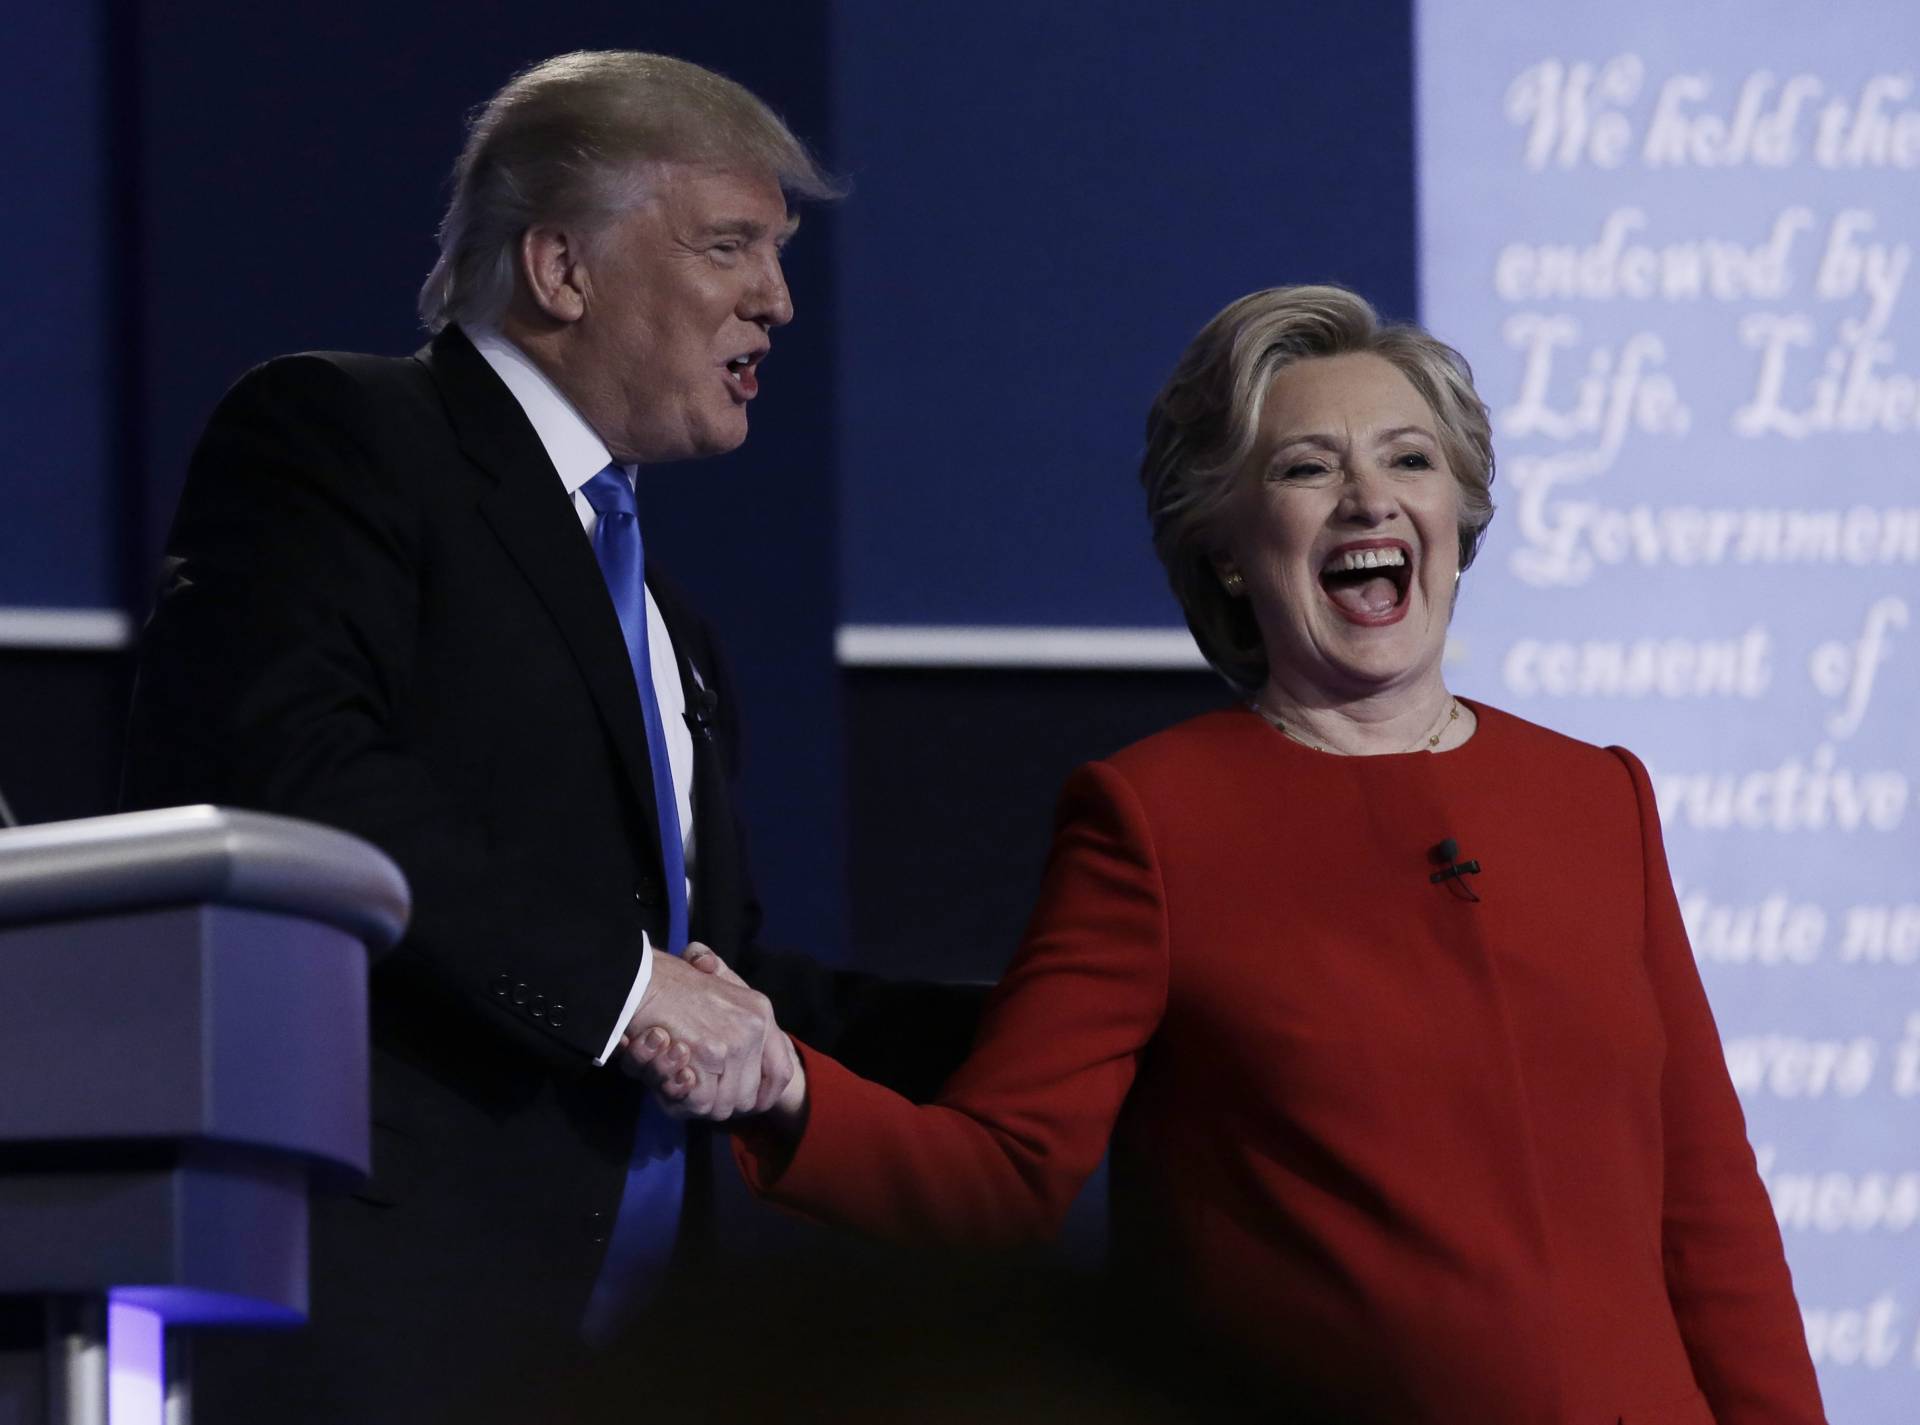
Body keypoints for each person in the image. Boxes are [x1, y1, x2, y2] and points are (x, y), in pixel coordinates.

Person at [649, 286, 1828, 1421]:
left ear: (1459, 520)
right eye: (1309, 468)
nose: (1369, 499)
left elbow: (1710, 1210)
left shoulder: (1595, 796)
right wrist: (785, 1087)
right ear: (1225, 547)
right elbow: (1007, 1176)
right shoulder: (1154, 820)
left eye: (1409, 460)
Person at [122, 50, 974, 1424]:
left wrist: (1068, 1032)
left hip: (626, 1361)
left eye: (777, 253)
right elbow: (290, 776)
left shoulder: (666, 622)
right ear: (562, 269)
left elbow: (725, 990)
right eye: (729, 245)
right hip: (382, 1335)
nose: (779, 298)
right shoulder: (340, 437)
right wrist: (627, 990)